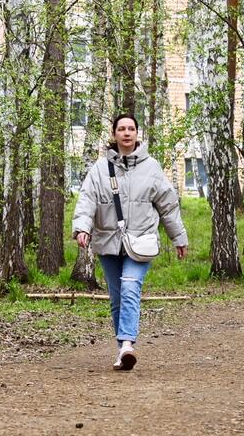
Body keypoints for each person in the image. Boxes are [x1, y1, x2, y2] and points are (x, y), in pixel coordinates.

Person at [72, 112, 189, 371]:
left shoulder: (151, 167)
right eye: (121, 129)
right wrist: (82, 227)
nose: (126, 133)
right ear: (114, 134)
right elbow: (87, 200)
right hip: (108, 240)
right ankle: (121, 348)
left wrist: (178, 237)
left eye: (131, 129)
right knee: (116, 297)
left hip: (142, 240)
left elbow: (168, 206)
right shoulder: (100, 169)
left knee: (129, 287)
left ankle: (127, 344)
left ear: (138, 134)